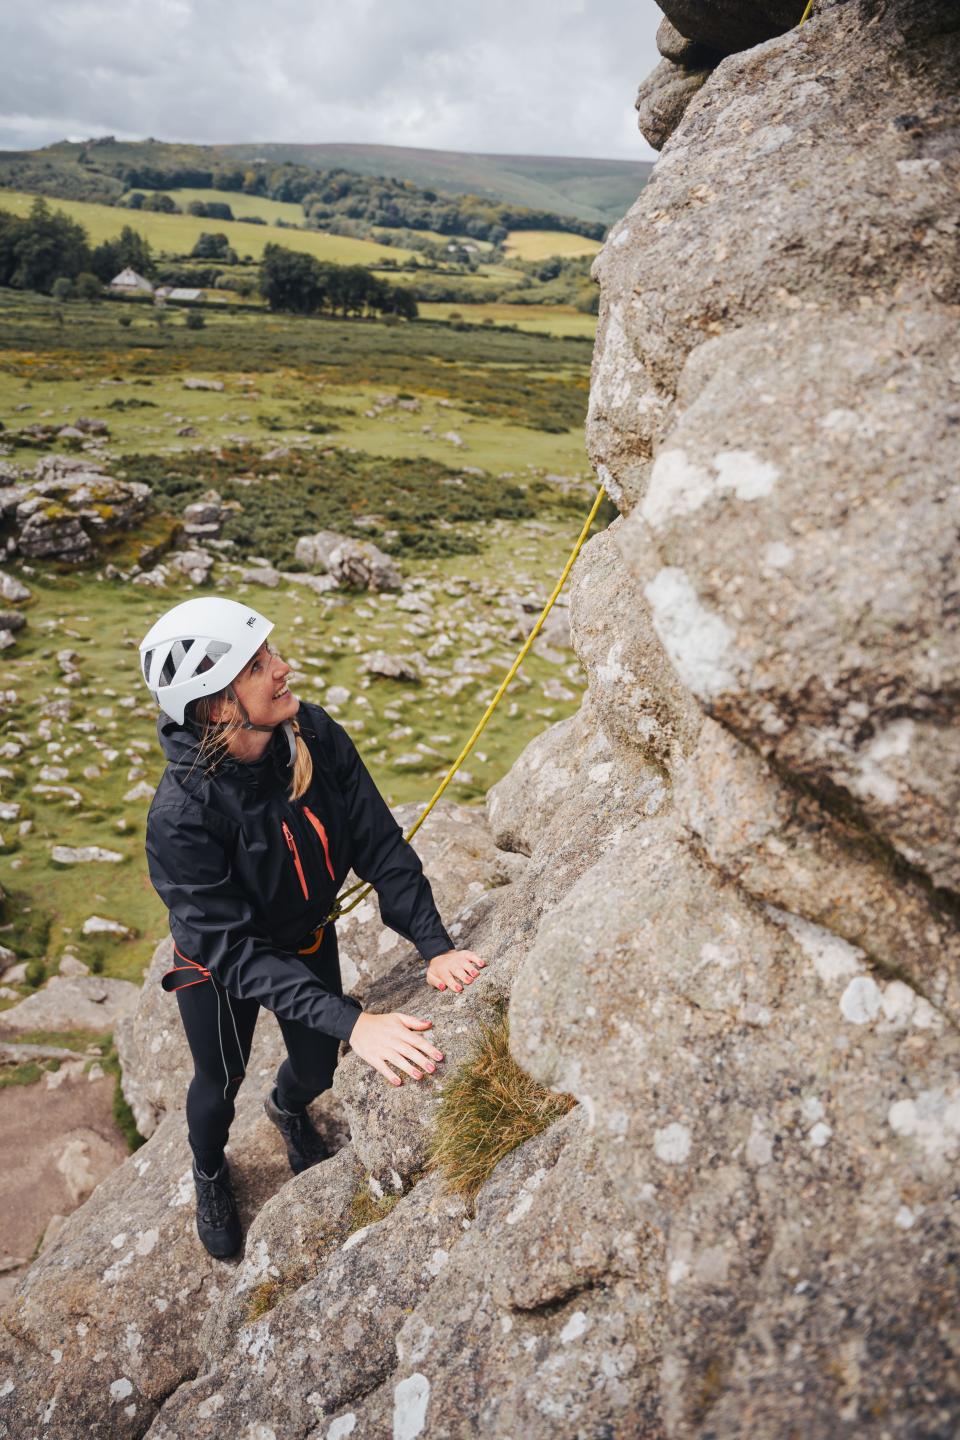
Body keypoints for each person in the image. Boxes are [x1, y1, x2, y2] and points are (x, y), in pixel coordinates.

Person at [139, 596, 486, 1259]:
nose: (284, 669)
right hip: (220, 966)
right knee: (219, 1081)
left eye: (272, 654)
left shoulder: (313, 735)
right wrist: (358, 1022)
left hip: (302, 939)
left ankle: (288, 1108)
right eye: (259, 664)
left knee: (315, 1067)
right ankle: (210, 1169)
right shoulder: (182, 815)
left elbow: (379, 844)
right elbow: (235, 952)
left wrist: (435, 946)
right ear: (216, 705)